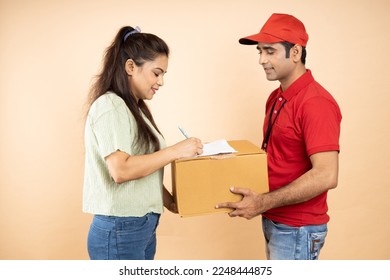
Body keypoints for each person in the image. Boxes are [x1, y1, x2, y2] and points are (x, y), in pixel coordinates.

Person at [216, 13, 342, 260]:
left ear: (295, 53)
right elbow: (278, 159)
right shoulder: (276, 98)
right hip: (275, 220)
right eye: (259, 51)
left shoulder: (316, 103)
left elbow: (327, 174)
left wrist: (263, 202)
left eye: (270, 51)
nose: (262, 60)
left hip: (298, 228)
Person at [82, 26, 203, 260]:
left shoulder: (136, 109)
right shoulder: (110, 106)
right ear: (130, 67)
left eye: (164, 74)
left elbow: (144, 170)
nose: (161, 82)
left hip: (141, 227)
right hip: (121, 228)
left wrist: (172, 202)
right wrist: (176, 150)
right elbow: (121, 170)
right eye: (156, 73)